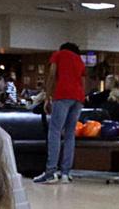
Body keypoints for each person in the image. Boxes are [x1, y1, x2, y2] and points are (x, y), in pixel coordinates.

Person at [34, 41, 85, 184]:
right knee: (70, 134)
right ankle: (65, 174)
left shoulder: (58, 55)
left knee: (55, 132)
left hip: (63, 94)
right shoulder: (79, 60)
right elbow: (82, 81)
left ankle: (50, 172)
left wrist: (47, 97)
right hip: (78, 98)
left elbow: (51, 75)